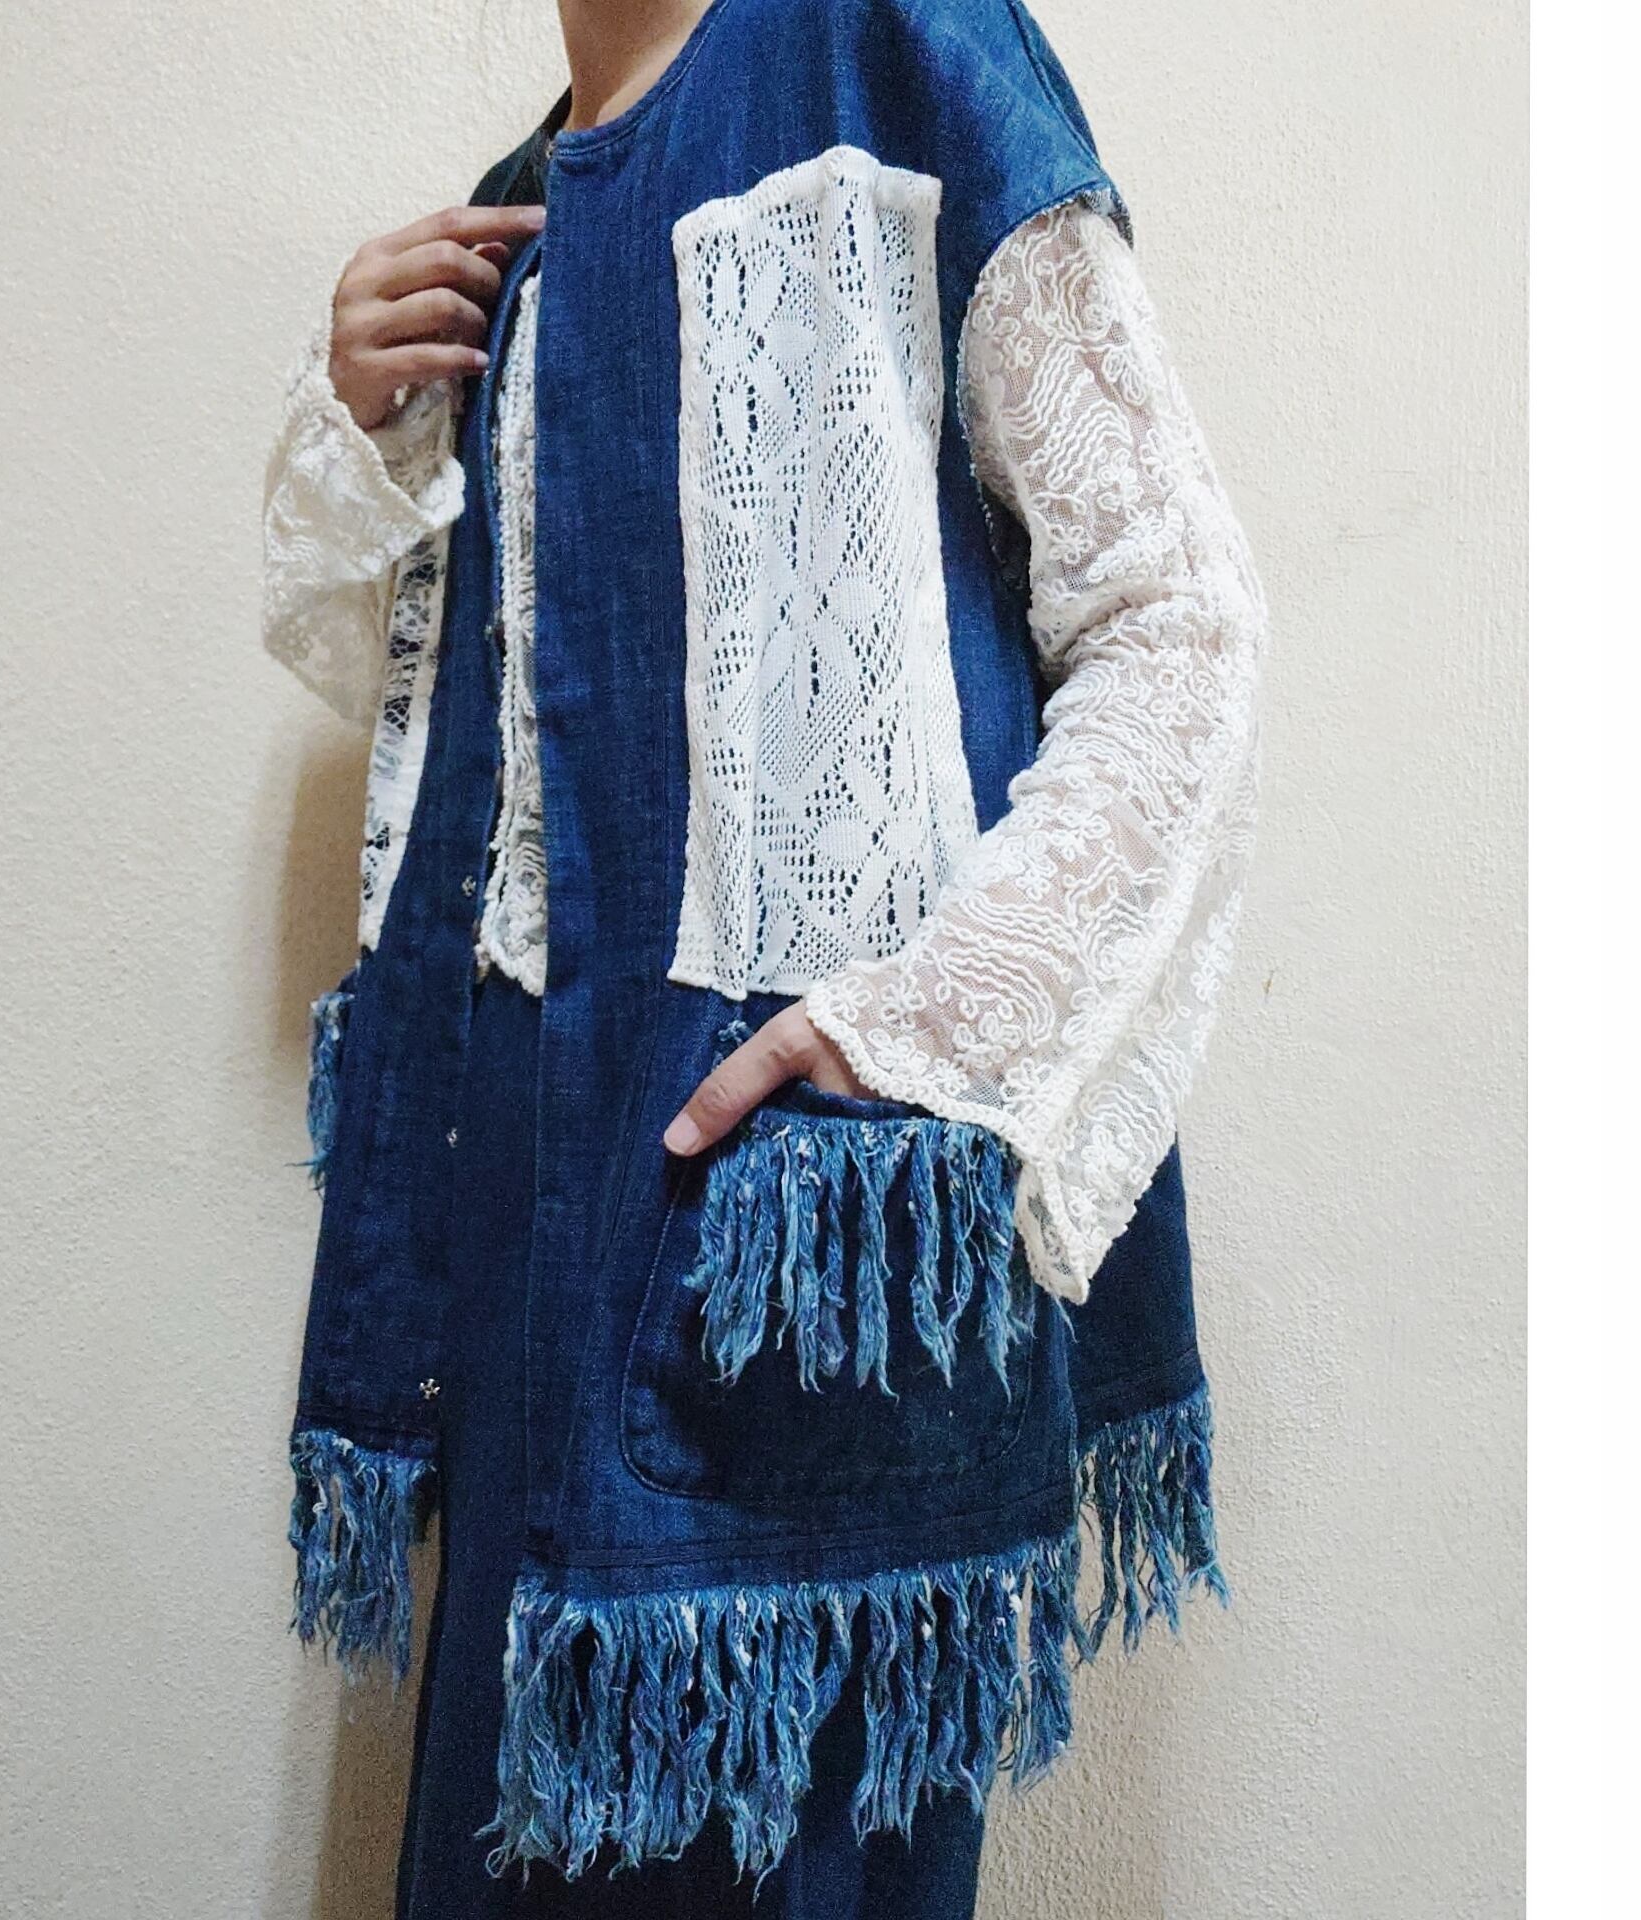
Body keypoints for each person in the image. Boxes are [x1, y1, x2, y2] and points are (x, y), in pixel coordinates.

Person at [262, 3, 1265, 1914]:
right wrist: (368, 432)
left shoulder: (889, 44)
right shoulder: (516, 209)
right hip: (530, 1231)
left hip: (786, 1263)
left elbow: (1177, 618)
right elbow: (500, 750)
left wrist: (934, 1026)